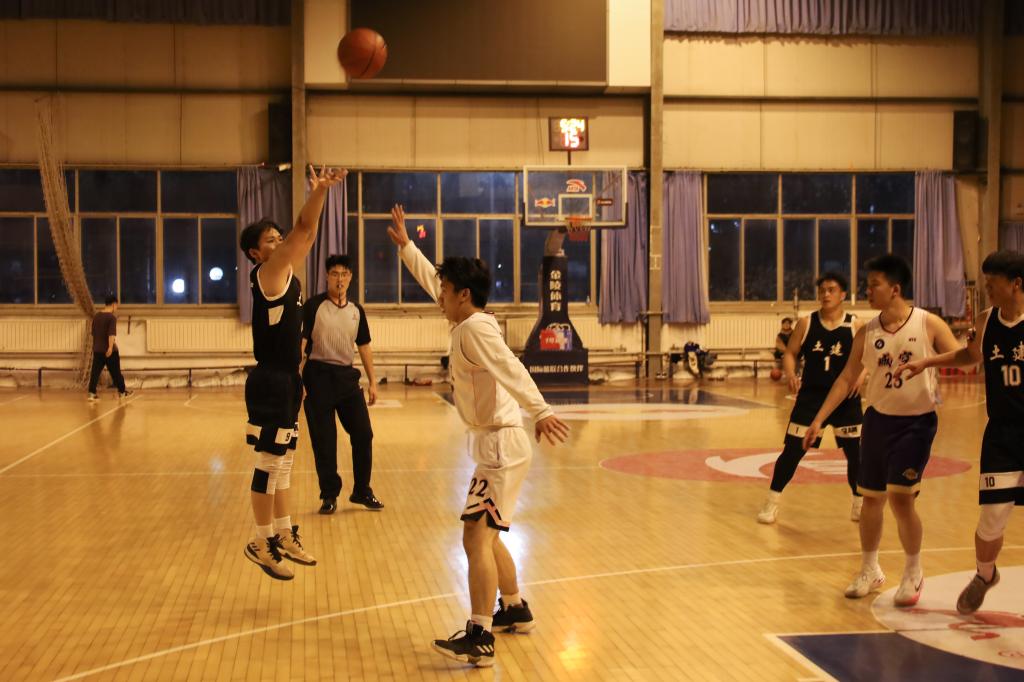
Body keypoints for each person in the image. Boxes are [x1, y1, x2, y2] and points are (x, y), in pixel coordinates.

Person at [387, 204, 570, 668]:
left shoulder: (475, 329)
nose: (439, 297)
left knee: (475, 537)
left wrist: (541, 410)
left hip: (502, 447)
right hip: (497, 446)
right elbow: (432, 282)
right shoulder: (468, 320)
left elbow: (511, 367)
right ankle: (515, 608)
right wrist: (408, 248)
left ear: (463, 295)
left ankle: (480, 636)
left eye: (446, 291)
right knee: (488, 535)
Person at [803, 254, 959, 607]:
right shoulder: (867, 331)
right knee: (871, 499)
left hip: (916, 422)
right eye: (867, 284)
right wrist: (819, 419)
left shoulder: (928, 323)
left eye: (874, 285)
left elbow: (963, 358)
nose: (867, 291)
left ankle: (913, 571)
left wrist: (930, 361)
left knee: (901, 499)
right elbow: (846, 378)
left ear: (895, 289)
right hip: (877, 421)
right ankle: (870, 569)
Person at [896, 249, 1024, 614]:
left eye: (992, 283)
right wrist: (928, 361)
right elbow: (970, 356)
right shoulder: (986, 321)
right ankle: (985, 575)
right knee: (991, 520)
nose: (986, 289)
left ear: (1016, 284)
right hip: (1002, 436)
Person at [238, 164, 346, 581]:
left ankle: (282, 532)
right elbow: (304, 229)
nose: (280, 242)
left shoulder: (287, 276)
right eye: (271, 240)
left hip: (286, 378)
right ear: (256, 253)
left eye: (278, 237)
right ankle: (260, 539)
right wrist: (320, 191)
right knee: (269, 463)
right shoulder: (267, 274)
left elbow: (305, 234)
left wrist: (298, 379)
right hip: (269, 380)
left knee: (283, 464)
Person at [757, 273, 864, 524]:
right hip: (811, 398)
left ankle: (859, 504)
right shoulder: (806, 323)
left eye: (831, 289)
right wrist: (791, 374)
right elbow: (790, 353)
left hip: (846, 398)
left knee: (856, 454)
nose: (826, 294)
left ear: (843, 294)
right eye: (822, 290)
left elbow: (868, 356)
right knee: (793, 451)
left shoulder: (855, 325)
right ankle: (772, 502)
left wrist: (862, 375)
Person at [301, 253, 383, 514]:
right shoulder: (313, 306)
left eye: (344, 274)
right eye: (335, 274)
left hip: (347, 378)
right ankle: (329, 495)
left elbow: (364, 346)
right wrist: (297, 379)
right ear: (327, 276)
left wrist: (373, 381)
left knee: (363, 433)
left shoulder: (357, 311)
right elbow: (301, 345)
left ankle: (362, 490)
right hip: (318, 377)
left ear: (350, 278)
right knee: (324, 441)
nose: (340, 279)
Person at [87, 294, 132, 401]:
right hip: (109, 351)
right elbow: (111, 334)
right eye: (117, 306)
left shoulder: (96, 316)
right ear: (114, 304)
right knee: (116, 372)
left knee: (95, 372)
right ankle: (122, 392)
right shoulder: (111, 317)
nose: (116, 308)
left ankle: (92, 393)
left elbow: (93, 333)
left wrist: (96, 346)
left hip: (97, 349)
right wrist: (110, 347)